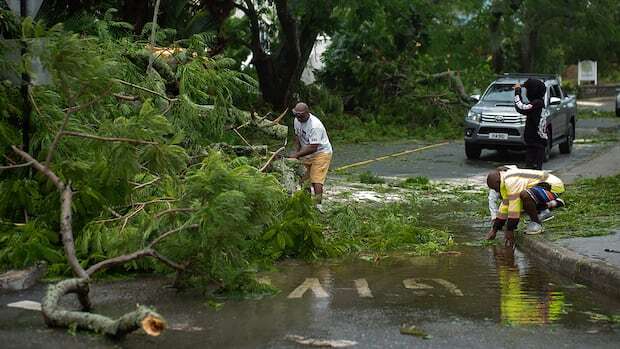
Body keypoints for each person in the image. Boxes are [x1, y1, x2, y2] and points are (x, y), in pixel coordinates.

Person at [486, 167, 565, 246]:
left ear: (497, 182)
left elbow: (514, 209)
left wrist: (510, 230)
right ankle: (549, 208)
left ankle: (536, 224)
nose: (496, 191)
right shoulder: (504, 183)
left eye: (495, 188)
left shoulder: (511, 181)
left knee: (524, 195)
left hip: (552, 187)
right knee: (524, 199)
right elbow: (505, 206)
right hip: (542, 188)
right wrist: (494, 229)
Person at [289, 102, 333, 207]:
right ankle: (306, 204)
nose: (298, 118)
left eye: (301, 115)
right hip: (306, 151)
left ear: (307, 113)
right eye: (296, 115)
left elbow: (314, 147)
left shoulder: (315, 125)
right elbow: (297, 137)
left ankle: (318, 205)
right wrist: (297, 152)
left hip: (321, 152)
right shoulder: (296, 121)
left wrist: (297, 155)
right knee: (304, 178)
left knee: (316, 179)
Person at [514, 79, 548, 170]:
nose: (527, 93)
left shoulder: (537, 103)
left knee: (533, 172)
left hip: (536, 144)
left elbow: (521, 107)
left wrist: (517, 92)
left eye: (528, 90)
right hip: (534, 143)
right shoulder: (539, 103)